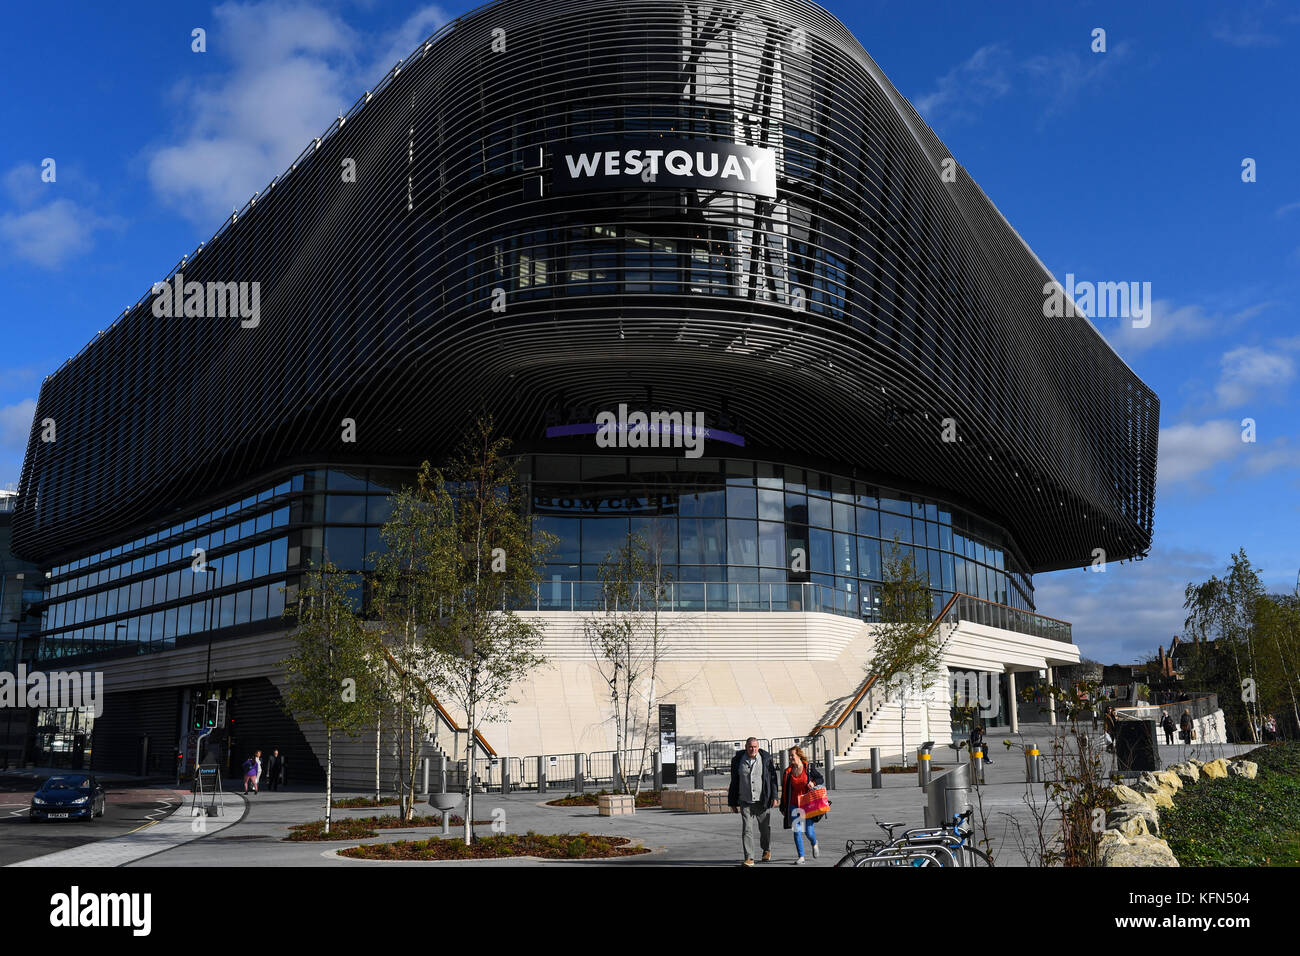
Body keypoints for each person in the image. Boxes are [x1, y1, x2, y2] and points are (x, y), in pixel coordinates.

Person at [727, 737, 780, 866]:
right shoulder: (738, 760)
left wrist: (774, 796)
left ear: (758, 747)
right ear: (746, 747)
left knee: (764, 829)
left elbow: (772, 779)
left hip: (762, 801)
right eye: (750, 747)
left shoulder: (765, 759)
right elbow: (734, 782)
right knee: (747, 830)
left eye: (755, 746)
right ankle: (749, 857)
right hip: (745, 801)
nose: (753, 749)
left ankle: (766, 849)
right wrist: (733, 802)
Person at [779, 746, 826, 864]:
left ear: (799, 755)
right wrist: (783, 806)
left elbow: (820, 779)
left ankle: (814, 842)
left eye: (792, 755)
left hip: (807, 804)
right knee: (797, 830)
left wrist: (813, 782)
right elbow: (785, 790)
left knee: (808, 832)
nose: (790, 758)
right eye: (789, 756)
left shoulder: (808, 767)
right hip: (794, 804)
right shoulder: (788, 771)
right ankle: (801, 857)